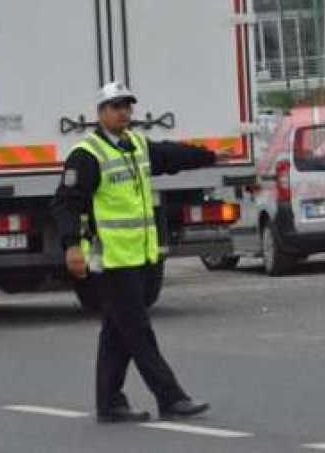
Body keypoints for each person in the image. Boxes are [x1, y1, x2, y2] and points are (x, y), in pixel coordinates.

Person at [51, 81, 219, 423]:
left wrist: (209, 155)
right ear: (100, 113)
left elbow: (171, 156)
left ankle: (109, 403)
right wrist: (71, 247)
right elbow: (65, 204)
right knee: (138, 331)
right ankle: (171, 398)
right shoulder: (86, 155)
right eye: (116, 107)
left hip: (138, 257)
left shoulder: (135, 145)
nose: (124, 112)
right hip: (109, 260)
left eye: (127, 106)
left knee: (117, 333)